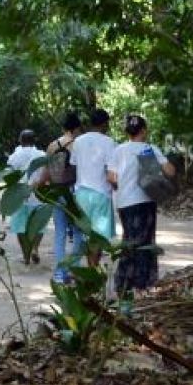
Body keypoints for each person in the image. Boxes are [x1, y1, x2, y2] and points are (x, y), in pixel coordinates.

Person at [108, 114, 176, 304]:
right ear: (144, 130)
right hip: (145, 201)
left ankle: (122, 285)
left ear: (127, 132)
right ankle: (141, 286)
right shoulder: (150, 149)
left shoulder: (118, 150)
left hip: (124, 203)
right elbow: (170, 171)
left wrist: (121, 187)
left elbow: (111, 178)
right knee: (145, 242)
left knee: (129, 241)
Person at [70, 109, 117, 267]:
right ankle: (93, 270)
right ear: (105, 124)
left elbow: (73, 165)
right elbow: (110, 171)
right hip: (100, 193)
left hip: (81, 193)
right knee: (97, 237)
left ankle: (88, 270)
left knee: (84, 235)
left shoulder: (78, 141)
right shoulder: (109, 143)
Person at [44, 112, 84, 282]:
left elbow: (46, 170)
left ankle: (60, 274)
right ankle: (74, 269)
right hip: (74, 191)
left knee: (59, 233)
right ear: (77, 128)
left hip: (57, 191)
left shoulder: (53, 145)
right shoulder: (79, 144)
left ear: (63, 128)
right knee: (78, 233)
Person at [6, 130, 47, 265]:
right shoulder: (42, 155)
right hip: (38, 194)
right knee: (39, 225)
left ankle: (26, 255)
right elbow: (46, 174)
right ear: (34, 140)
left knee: (20, 226)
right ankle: (35, 248)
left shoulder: (14, 156)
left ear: (20, 140)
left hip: (19, 196)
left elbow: (8, 178)